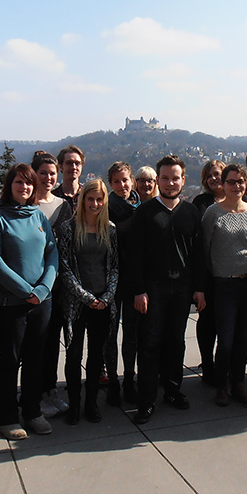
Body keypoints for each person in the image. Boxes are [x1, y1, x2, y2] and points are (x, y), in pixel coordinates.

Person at [0, 164, 58, 439]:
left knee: (36, 358)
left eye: (28, 184)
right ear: (9, 185)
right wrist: (26, 290)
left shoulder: (38, 216)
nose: (24, 188)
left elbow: (52, 254)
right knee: (10, 359)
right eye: (19, 183)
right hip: (9, 303)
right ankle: (7, 416)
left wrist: (43, 288)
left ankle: (32, 411)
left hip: (41, 301)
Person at [129, 155, 205, 424]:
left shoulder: (191, 212)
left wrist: (199, 289)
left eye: (175, 178)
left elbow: (198, 256)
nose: (170, 183)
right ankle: (146, 400)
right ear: (157, 180)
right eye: (165, 178)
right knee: (150, 344)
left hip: (183, 288)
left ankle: (173, 390)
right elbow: (134, 256)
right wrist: (139, 291)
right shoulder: (145, 213)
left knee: (176, 341)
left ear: (184, 180)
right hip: (153, 289)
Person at [202, 164, 247, 406]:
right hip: (224, 284)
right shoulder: (213, 213)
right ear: (223, 184)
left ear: (246, 183)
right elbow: (205, 250)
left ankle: (239, 383)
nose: (236, 186)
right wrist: (221, 270)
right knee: (226, 339)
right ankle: (221, 386)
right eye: (231, 181)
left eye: (240, 181)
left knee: (243, 337)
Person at [59, 179, 119, 423]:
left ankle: (92, 403)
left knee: (96, 355)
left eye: (99, 199)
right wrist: (85, 297)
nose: (94, 203)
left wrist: (106, 297)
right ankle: (74, 404)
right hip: (76, 304)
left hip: (103, 303)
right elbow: (64, 267)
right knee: (73, 355)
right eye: (90, 198)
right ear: (82, 199)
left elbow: (115, 267)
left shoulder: (110, 229)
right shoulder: (68, 228)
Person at [32, 151, 72, 418]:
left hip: (59, 284)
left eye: (52, 173)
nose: (48, 178)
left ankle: (50, 390)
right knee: (36, 343)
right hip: (33, 283)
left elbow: (67, 246)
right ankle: (34, 394)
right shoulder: (25, 204)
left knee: (53, 340)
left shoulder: (63, 205)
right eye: (43, 173)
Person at [105, 161, 140, 405]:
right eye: (116, 181)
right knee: (110, 334)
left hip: (133, 278)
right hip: (111, 278)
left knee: (131, 334)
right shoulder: (105, 207)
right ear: (110, 183)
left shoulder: (140, 206)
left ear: (132, 181)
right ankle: (113, 383)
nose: (121, 185)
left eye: (125, 180)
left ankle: (129, 379)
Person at [191, 160, 226, 386]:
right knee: (207, 321)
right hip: (208, 272)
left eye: (218, 174)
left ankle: (226, 363)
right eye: (209, 175)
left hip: (231, 273)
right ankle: (207, 363)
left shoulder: (238, 200)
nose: (214, 178)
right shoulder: (201, 202)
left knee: (228, 322)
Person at [53, 145, 84, 211]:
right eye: (69, 163)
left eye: (77, 163)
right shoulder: (53, 198)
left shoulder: (87, 195)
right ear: (61, 167)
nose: (74, 167)